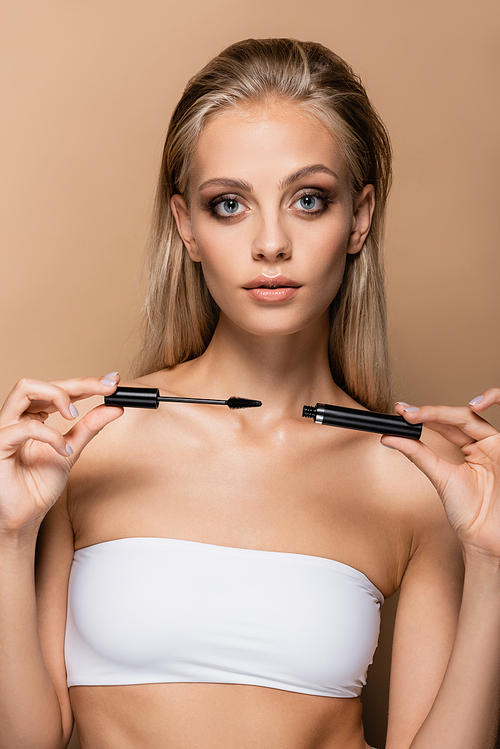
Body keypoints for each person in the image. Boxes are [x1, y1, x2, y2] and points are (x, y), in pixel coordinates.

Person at [0, 37, 499, 749]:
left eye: (308, 200)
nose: (271, 242)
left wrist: (492, 568)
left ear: (358, 219)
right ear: (187, 227)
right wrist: (7, 540)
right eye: (230, 203)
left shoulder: (419, 479)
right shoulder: (84, 443)